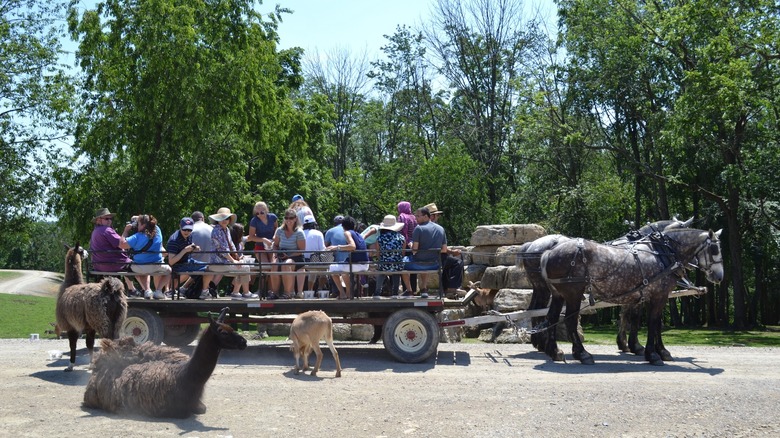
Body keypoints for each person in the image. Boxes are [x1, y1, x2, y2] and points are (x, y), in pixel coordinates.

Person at [206, 208, 255, 300]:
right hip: (217, 263)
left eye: (227, 218)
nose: (224, 221)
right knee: (245, 268)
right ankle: (245, 292)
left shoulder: (227, 230)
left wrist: (237, 258)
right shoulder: (217, 231)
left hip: (224, 262)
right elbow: (222, 250)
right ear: (218, 220)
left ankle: (236, 292)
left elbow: (231, 245)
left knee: (243, 266)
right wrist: (234, 261)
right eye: (222, 218)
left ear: (229, 220)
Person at [119, 214, 172, 300]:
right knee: (169, 270)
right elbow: (153, 224)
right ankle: (158, 291)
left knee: (141, 271)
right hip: (157, 266)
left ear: (143, 225)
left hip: (140, 267)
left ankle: (147, 290)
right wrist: (140, 219)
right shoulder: (158, 231)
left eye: (138, 224)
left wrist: (126, 231)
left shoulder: (137, 237)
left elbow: (121, 245)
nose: (137, 226)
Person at [89, 207, 138, 295]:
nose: (109, 221)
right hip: (112, 264)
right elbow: (122, 244)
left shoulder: (95, 231)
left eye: (110, 218)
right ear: (98, 220)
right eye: (106, 218)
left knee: (127, 263)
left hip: (98, 265)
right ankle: (139, 289)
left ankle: (132, 289)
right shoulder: (107, 230)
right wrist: (126, 231)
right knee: (136, 264)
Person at [401, 207, 446, 298]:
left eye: (417, 216)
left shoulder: (418, 229)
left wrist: (410, 245)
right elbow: (444, 249)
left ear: (425, 216)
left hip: (419, 263)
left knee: (401, 263)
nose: (415, 218)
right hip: (435, 264)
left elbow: (415, 250)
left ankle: (409, 290)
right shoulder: (441, 229)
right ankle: (424, 289)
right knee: (425, 259)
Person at [424, 203, 464, 297]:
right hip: (435, 258)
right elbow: (443, 249)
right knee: (457, 263)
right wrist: (453, 252)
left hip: (425, 257)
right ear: (432, 216)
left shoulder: (420, 227)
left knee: (447, 261)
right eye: (437, 215)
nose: (438, 217)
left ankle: (446, 288)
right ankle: (452, 288)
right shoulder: (438, 229)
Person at [166, 217, 211, 299]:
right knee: (195, 270)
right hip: (178, 265)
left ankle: (204, 292)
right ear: (180, 227)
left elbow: (189, 245)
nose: (187, 232)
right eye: (185, 229)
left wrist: (194, 247)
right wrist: (185, 250)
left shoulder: (189, 236)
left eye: (189, 230)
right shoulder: (174, 240)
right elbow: (171, 262)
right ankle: (171, 291)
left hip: (187, 262)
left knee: (210, 268)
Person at [326, 216, 370, 299]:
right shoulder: (358, 235)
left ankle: (343, 293)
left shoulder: (347, 233)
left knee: (331, 268)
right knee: (343, 272)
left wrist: (336, 247)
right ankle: (349, 293)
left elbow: (352, 246)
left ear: (343, 226)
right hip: (364, 264)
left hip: (356, 265)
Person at [272, 208, 306, 299]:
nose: (288, 220)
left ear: (295, 219)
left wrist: (289, 255)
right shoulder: (279, 230)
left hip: (296, 256)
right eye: (286, 218)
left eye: (291, 218)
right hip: (282, 255)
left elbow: (302, 250)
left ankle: (288, 293)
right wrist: (275, 253)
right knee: (274, 265)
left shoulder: (299, 232)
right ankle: (275, 293)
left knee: (286, 265)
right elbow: (275, 245)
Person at [247, 201, 279, 295]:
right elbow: (251, 237)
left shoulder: (272, 217)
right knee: (265, 267)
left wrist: (274, 236)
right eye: (257, 213)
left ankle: (271, 290)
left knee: (273, 266)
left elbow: (277, 228)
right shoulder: (254, 221)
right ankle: (260, 290)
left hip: (272, 246)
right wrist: (264, 240)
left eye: (262, 212)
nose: (259, 215)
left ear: (266, 210)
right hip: (260, 246)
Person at [374, 215, 406, 298]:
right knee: (397, 270)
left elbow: (378, 253)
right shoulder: (401, 238)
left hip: (383, 264)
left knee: (381, 272)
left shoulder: (379, 238)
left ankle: (377, 292)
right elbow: (403, 253)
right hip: (397, 264)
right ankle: (395, 292)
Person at [302, 214, 326, 293]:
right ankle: (320, 289)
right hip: (314, 261)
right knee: (325, 270)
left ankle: (309, 291)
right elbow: (322, 250)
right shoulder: (318, 233)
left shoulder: (299, 233)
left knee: (312, 271)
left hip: (302, 261)